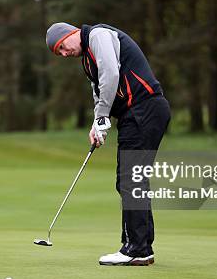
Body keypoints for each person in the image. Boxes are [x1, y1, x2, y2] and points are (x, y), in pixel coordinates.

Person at [46, 22, 171, 266]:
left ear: (70, 34)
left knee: (131, 179)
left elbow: (111, 74)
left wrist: (103, 115)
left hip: (144, 109)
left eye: (61, 47)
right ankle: (140, 246)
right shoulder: (87, 59)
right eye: (58, 53)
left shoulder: (98, 35)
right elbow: (99, 87)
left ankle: (136, 248)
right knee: (130, 179)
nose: (63, 53)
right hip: (135, 114)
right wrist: (98, 123)